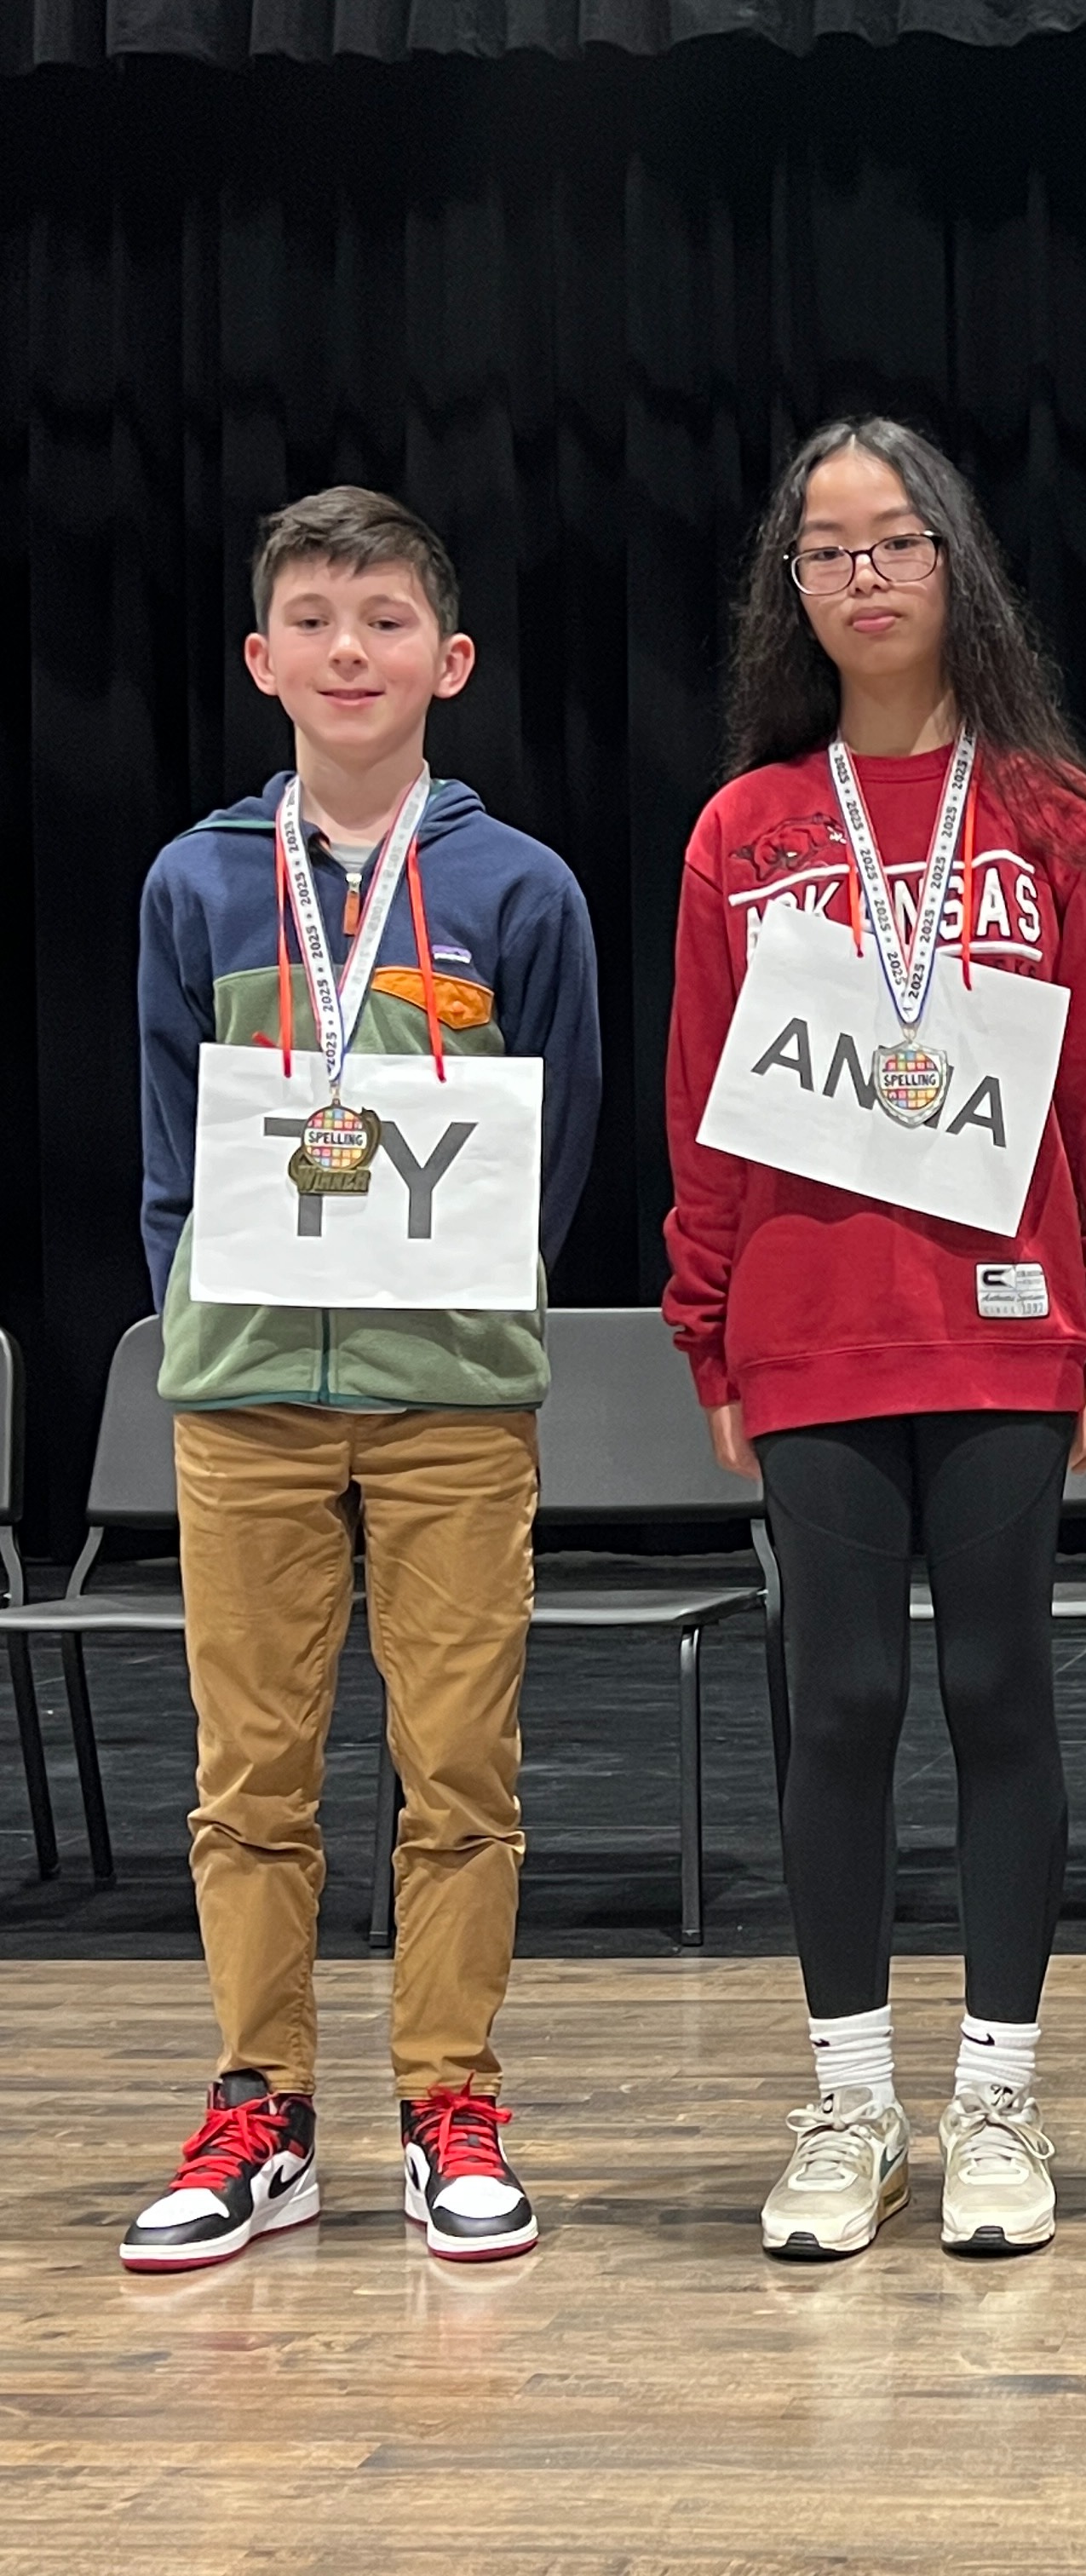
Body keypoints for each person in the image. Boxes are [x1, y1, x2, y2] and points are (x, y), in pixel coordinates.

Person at [664, 418, 1086, 2263]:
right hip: (809, 1335)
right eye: (827, 552)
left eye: (896, 543)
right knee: (844, 1700)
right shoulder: (751, 829)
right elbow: (705, 1108)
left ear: (956, 565)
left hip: (1005, 1328)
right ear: (789, 593)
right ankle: (848, 2103)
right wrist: (707, 1331)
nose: (864, 576)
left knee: (993, 1693)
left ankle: (997, 2099)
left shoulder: (1056, 820)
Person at [122, 487, 601, 2271]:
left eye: (386, 618)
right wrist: (202, 1310)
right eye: (314, 618)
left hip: (453, 1398)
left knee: (457, 1764)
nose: (350, 647)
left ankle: (449, 2099)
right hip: (241, 1390)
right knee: (250, 1772)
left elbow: (557, 1143)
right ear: (263, 660)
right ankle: (263, 2107)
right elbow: (173, 1143)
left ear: (448, 661)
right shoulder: (192, 880)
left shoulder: (516, 888)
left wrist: (471, 1300)